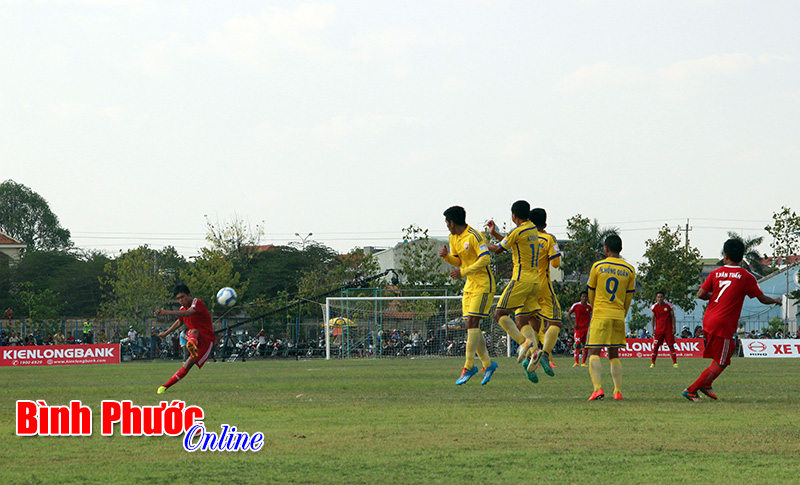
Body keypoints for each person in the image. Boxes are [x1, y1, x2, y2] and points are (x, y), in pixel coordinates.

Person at [682, 239, 782, 402]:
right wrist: (775, 300)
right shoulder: (746, 276)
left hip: (709, 319)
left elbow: (700, 294)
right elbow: (761, 298)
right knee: (721, 362)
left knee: (730, 349)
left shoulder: (715, 273)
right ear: (742, 257)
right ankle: (691, 390)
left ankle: (707, 384)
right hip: (723, 323)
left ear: (725, 255)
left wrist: (713, 297)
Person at [439, 205, 498, 386]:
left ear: (452, 222)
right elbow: (458, 260)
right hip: (470, 286)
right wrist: (447, 257)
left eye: (447, 222)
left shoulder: (474, 236)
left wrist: (462, 272)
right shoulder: (453, 237)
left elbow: (486, 258)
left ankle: (468, 366)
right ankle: (488, 364)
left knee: (472, 322)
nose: (446, 226)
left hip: (483, 285)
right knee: (470, 325)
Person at [486, 200, 542, 383]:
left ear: (514, 216)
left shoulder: (517, 231)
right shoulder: (532, 228)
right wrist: (494, 233)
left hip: (521, 280)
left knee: (499, 314)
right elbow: (511, 240)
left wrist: (482, 242)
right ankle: (535, 352)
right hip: (535, 282)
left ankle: (524, 343)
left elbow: (497, 250)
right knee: (522, 319)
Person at [585, 235, 636, 401]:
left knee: (594, 352)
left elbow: (591, 292)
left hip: (601, 313)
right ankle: (617, 391)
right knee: (614, 354)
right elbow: (628, 298)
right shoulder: (629, 270)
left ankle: (597, 389)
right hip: (618, 315)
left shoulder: (598, 266)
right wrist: (623, 313)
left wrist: (595, 308)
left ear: (606, 248)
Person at [155, 283, 216, 394]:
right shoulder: (182, 308)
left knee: (190, 359)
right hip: (194, 336)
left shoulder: (197, 302)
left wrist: (167, 312)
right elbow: (179, 321)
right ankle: (165, 386)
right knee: (187, 361)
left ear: (189, 295)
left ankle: (192, 344)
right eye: (178, 298)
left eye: (183, 297)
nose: (181, 300)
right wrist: (166, 333)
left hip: (206, 338)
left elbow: (188, 313)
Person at [526, 207, 562, 377]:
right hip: (543, 286)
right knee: (555, 322)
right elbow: (556, 264)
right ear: (545, 223)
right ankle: (545, 355)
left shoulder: (523, 236)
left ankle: (531, 353)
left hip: (525, 286)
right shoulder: (548, 238)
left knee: (533, 323)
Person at [649, 291, 678, 368]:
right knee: (656, 346)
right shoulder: (654, 307)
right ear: (656, 298)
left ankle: (675, 363)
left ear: (664, 298)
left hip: (668, 330)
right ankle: (652, 362)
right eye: (658, 297)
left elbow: (673, 317)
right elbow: (652, 318)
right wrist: (653, 330)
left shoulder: (669, 306)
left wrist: (674, 328)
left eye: (661, 297)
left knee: (671, 346)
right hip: (658, 330)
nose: (660, 298)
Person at [568, 291, 592, 367]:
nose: (584, 298)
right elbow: (568, 314)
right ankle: (576, 362)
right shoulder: (576, 305)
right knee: (577, 345)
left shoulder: (589, 306)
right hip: (578, 329)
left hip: (586, 329)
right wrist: (573, 324)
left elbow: (594, 314)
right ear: (580, 297)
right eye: (583, 296)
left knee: (585, 345)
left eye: (586, 297)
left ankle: (583, 362)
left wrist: (591, 323)